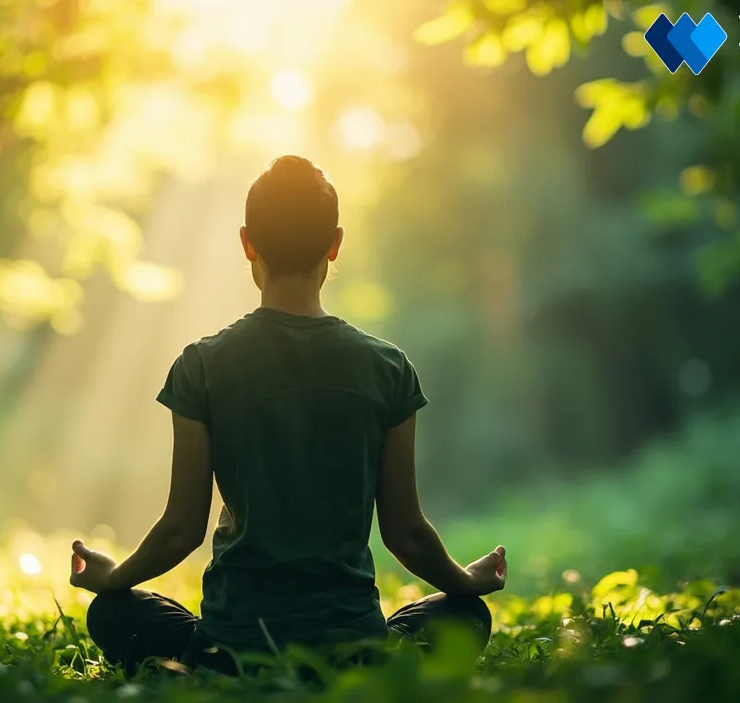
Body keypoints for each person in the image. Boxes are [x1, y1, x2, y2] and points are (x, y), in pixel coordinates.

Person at [68, 155, 508, 676]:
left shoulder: (201, 365)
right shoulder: (388, 368)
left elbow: (181, 529)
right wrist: (466, 582)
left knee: (112, 612)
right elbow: (405, 532)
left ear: (247, 242)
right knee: (465, 616)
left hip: (231, 649)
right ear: (335, 243)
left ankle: (201, 669)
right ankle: (370, 665)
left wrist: (114, 577)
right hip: (353, 650)